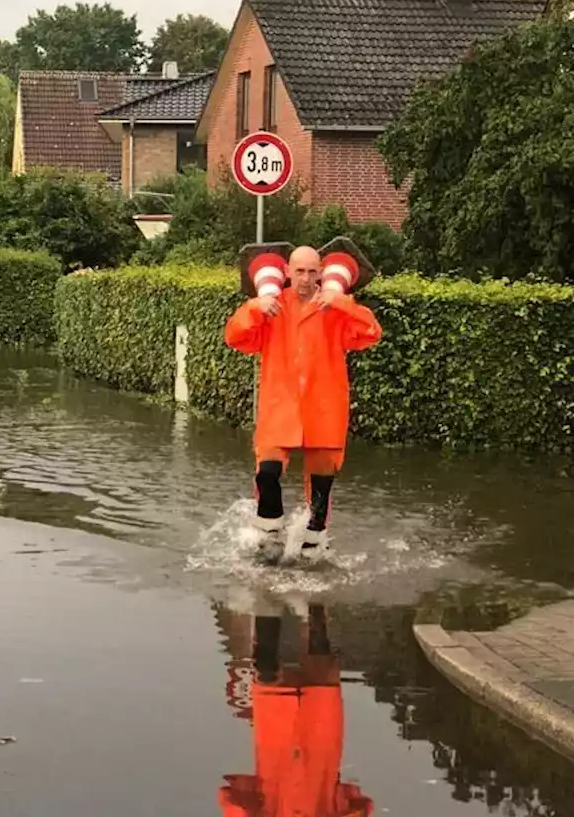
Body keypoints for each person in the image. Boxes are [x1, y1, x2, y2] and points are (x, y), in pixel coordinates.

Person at [223, 246, 381, 557]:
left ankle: (313, 546)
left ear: (322, 273)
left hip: (325, 408)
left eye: (312, 271)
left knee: (322, 487)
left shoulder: (335, 307)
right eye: (299, 271)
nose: (305, 279)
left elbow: (371, 333)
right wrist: (254, 307)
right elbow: (235, 338)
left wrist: (344, 304)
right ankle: (269, 534)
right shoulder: (271, 306)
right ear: (286, 273)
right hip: (279, 407)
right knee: (267, 473)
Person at [218, 603, 373, 817]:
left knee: (266, 668)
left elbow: (230, 801)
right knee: (321, 659)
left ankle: (266, 595)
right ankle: (316, 602)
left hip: (276, 742)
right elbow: (361, 808)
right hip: (320, 746)